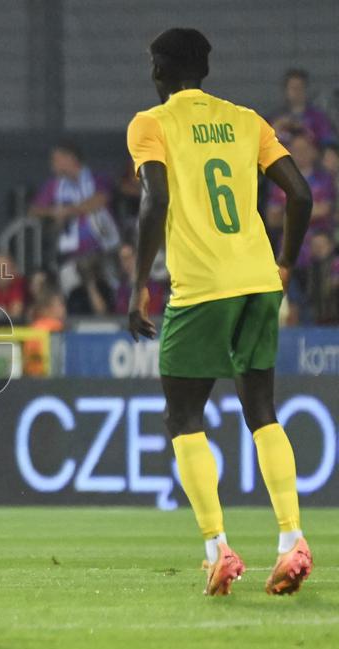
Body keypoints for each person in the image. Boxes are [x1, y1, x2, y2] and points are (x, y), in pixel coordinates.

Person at [127, 29, 313, 597]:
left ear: (158, 72)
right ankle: (292, 540)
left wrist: (138, 283)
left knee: (183, 417)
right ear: (204, 71)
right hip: (259, 281)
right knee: (262, 408)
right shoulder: (248, 120)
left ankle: (218, 549)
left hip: (202, 288)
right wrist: (284, 263)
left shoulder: (151, 124)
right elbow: (300, 196)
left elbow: (155, 201)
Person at [28, 139, 121, 293]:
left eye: (56, 159)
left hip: (103, 252)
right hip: (71, 256)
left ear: (70, 158)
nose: (52, 164)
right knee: (70, 289)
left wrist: (67, 211)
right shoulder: (55, 185)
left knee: (109, 289)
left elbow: (100, 200)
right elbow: (34, 210)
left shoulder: (97, 178)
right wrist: (54, 212)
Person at [265, 130, 335, 258]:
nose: (300, 153)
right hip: (287, 244)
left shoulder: (324, 179)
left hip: (318, 240)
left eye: (305, 149)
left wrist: (286, 213)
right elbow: (272, 219)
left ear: (314, 151)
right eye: (295, 149)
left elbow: (324, 210)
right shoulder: (280, 180)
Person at [270, 69, 336, 147]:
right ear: (286, 91)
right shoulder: (276, 118)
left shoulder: (318, 118)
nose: (297, 92)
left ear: (306, 89)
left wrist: (305, 130)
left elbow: (329, 143)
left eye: (300, 87)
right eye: (293, 88)